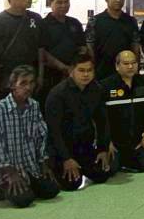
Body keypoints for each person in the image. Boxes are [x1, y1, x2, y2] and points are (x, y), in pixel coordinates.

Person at [0, 66, 60, 208]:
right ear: (13, 85)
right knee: (24, 200)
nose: (28, 87)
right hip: (5, 172)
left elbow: (41, 138)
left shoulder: (34, 106)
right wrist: (10, 174)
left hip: (28, 168)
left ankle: (26, 183)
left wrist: (43, 164)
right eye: (23, 83)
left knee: (52, 190)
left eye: (31, 82)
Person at [44, 54, 113, 190]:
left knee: (103, 174)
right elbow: (54, 131)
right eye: (81, 70)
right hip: (63, 148)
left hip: (85, 146)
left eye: (89, 70)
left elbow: (102, 121)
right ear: (72, 71)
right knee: (72, 184)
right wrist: (66, 158)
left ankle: (84, 168)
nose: (86, 74)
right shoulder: (58, 94)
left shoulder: (97, 90)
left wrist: (102, 149)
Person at [100, 50, 144, 173]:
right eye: (126, 63)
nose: (130, 66)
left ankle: (125, 162)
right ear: (117, 66)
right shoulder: (105, 86)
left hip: (137, 142)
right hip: (114, 143)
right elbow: (99, 118)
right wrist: (106, 142)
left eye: (133, 63)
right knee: (110, 170)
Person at [0, 0, 44, 95]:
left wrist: (40, 75)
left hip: (30, 77)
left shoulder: (36, 18)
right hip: (6, 78)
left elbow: (40, 48)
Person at [39, 0, 85, 110]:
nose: (64, 5)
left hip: (74, 76)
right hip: (51, 76)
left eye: (66, 2)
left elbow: (82, 47)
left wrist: (76, 67)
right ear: (50, 3)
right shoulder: (43, 25)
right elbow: (42, 52)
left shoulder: (75, 23)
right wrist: (63, 67)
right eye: (59, 2)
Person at [86, 0, 140, 80]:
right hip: (101, 70)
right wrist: (91, 68)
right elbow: (89, 47)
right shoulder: (95, 21)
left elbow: (135, 45)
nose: (118, 0)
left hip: (126, 69)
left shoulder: (131, 21)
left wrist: (136, 66)